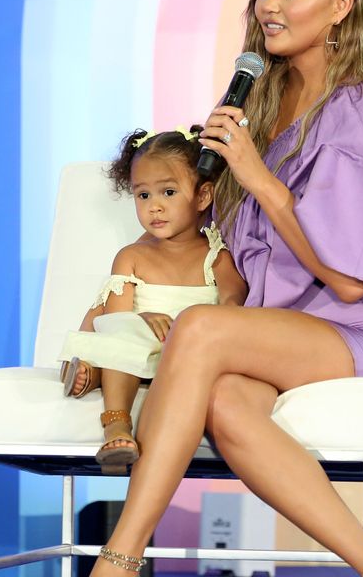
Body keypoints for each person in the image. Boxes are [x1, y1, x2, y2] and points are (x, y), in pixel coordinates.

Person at [88, 0, 363, 577]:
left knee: (204, 331)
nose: (268, 5)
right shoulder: (262, 106)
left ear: (341, 4)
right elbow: (231, 261)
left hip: (361, 335)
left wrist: (259, 179)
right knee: (227, 400)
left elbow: (349, 284)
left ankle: (120, 558)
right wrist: (115, 325)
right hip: (280, 332)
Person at [59, 126, 247, 474]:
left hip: (186, 356)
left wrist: (216, 320)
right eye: (142, 196)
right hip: (135, 350)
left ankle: (90, 370)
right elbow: (114, 320)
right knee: (117, 337)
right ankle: (116, 423)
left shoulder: (215, 256)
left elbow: (235, 300)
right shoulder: (133, 256)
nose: (154, 207)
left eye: (169, 192)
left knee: (121, 346)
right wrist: (143, 318)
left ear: (203, 197)